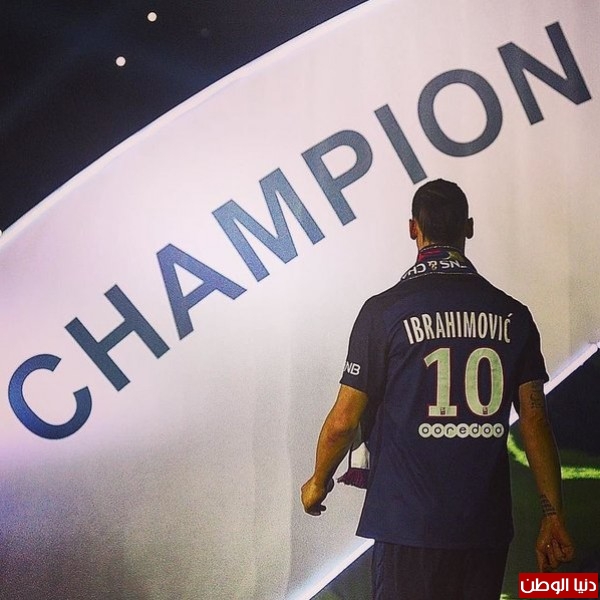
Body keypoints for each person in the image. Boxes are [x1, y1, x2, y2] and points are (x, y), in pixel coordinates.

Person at [301, 179, 574, 599]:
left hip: (407, 526)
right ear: (469, 227)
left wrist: (318, 481)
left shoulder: (383, 312)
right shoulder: (513, 315)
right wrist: (552, 515)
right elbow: (535, 420)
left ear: (413, 228)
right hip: (482, 528)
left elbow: (343, 421)